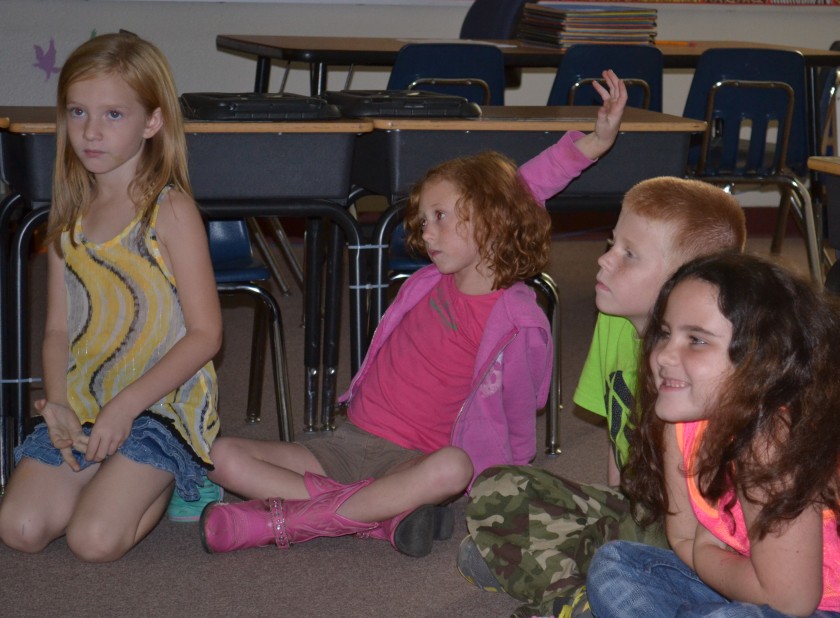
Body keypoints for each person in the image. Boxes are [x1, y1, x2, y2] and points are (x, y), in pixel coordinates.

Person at [198, 72, 630, 558]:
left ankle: (295, 521)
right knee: (216, 454)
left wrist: (595, 142)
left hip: (412, 462)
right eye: (423, 220)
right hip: (346, 441)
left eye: (441, 217)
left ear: (492, 217)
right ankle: (377, 518)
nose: (427, 233)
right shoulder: (431, 280)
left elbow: (519, 408)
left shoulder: (516, 319)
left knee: (453, 469)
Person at [586, 252, 840, 617]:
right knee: (614, 565)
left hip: (837, 608)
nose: (663, 355)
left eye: (696, 340)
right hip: (745, 581)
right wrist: (707, 554)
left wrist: (707, 551)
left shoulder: (770, 440)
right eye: (664, 333)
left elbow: (790, 600)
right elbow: (681, 537)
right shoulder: (679, 417)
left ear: (761, 360)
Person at [460, 177, 747, 617]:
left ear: (687, 280)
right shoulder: (613, 321)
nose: (604, 260)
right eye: (612, 243)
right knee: (496, 487)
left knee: (512, 544)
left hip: (693, 531)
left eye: (629, 255)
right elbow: (617, 441)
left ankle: (572, 594)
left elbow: (711, 517)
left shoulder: (704, 363)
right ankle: (582, 594)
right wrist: (614, 510)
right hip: (639, 510)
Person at [0, 33, 222, 562]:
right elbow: (56, 329)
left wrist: (125, 408)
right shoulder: (66, 215)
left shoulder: (169, 210)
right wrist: (58, 405)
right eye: (77, 111)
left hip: (157, 404)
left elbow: (207, 333)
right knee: (19, 527)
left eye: (113, 115)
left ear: (152, 121)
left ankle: (174, 479)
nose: (90, 131)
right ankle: (110, 470)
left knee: (92, 541)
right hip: (86, 398)